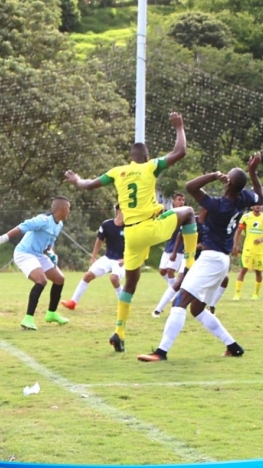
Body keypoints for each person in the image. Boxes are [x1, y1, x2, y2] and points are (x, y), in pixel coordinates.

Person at [64, 112, 197, 353]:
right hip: (151, 226)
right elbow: (180, 152)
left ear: (129, 159)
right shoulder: (150, 167)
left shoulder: (117, 172)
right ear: (146, 157)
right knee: (187, 213)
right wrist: (179, 127)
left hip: (132, 234)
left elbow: (88, 184)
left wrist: (76, 180)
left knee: (131, 282)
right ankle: (189, 264)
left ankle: (119, 331)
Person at [137, 153, 263, 362]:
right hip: (221, 261)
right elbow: (260, 197)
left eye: (227, 176)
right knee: (197, 309)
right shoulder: (243, 199)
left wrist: (214, 175)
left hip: (211, 259)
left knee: (180, 301)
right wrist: (253, 173)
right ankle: (233, 346)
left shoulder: (219, 205)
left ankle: (161, 352)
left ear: (228, 182)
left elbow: (190, 186)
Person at [0, 196, 71, 330]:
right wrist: (3, 238)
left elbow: (48, 244)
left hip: (38, 254)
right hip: (24, 253)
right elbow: (23, 226)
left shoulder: (59, 225)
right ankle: (28, 318)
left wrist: (51, 252)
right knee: (41, 280)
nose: (69, 211)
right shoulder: (43, 220)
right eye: (68, 208)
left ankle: (51, 314)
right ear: (63, 209)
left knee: (59, 279)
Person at [152, 209, 228, 317]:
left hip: (205, 259)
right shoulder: (193, 220)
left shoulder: (212, 225)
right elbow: (180, 235)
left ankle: (211, 305)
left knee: (224, 279)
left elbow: (210, 243)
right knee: (178, 283)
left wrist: (198, 246)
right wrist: (174, 251)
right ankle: (158, 309)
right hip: (189, 257)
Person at [61, 205, 125, 310]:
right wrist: (93, 256)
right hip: (107, 258)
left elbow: (134, 246)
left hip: (121, 260)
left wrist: (125, 259)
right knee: (88, 276)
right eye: (125, 211)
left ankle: (123, 305)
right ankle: (73, 302)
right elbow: (99, 240)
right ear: (118, 211)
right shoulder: (106, 224)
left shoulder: (130, 227)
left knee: (114, 278)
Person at [232, 204, 263, 300]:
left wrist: (261, 240)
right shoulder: (246, 217)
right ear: (251, 207)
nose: (258, 206)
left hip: (260, 250)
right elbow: (238, 232)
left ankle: (256, 294)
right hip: (248, 248)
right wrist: (235, 246)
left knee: (258, 272)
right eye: (255, 205)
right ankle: (237, 294)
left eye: (260, 205)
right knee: (243, 269)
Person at [157, 193, 186, 286]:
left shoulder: (186, 215)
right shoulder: (169, 214)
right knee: (162, 271)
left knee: (170, 270)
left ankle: (173, 292)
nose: (181, 202)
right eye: (179, 199)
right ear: (173, 201)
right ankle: (176, 286)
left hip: (179, 247)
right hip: (169, 245)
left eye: (183, 200)